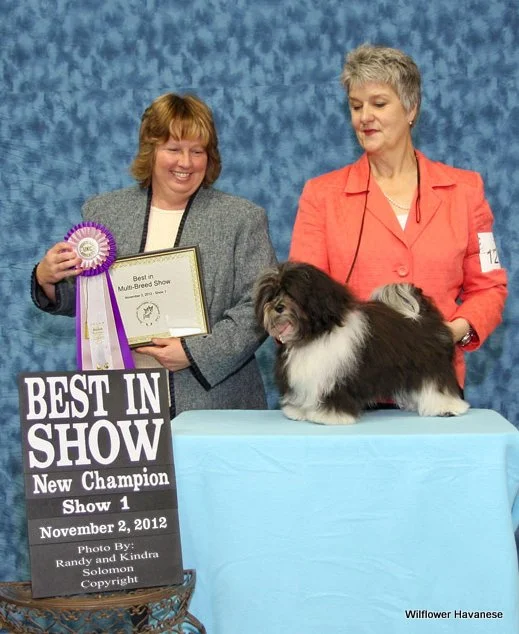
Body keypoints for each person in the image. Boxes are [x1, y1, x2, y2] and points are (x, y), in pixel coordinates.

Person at [31, 92, 277, 417]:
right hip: (125, 402)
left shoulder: (241, 218)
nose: (185, 163)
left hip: (215, 402)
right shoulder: (105, 212)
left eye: (197, 151)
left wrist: (194, 352)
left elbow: (260, 306)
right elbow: (90, 302)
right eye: (173, 149)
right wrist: (47, 279)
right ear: (151, 149)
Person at [289, 44, 507, 391]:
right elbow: (302, 294)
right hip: (350, 389)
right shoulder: (322, 195)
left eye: (378, 103)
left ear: (411, 108)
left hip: (434, 385)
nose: (364, 117)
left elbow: (489, 287)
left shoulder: (465, 191)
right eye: (355, 106)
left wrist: (454, 331)